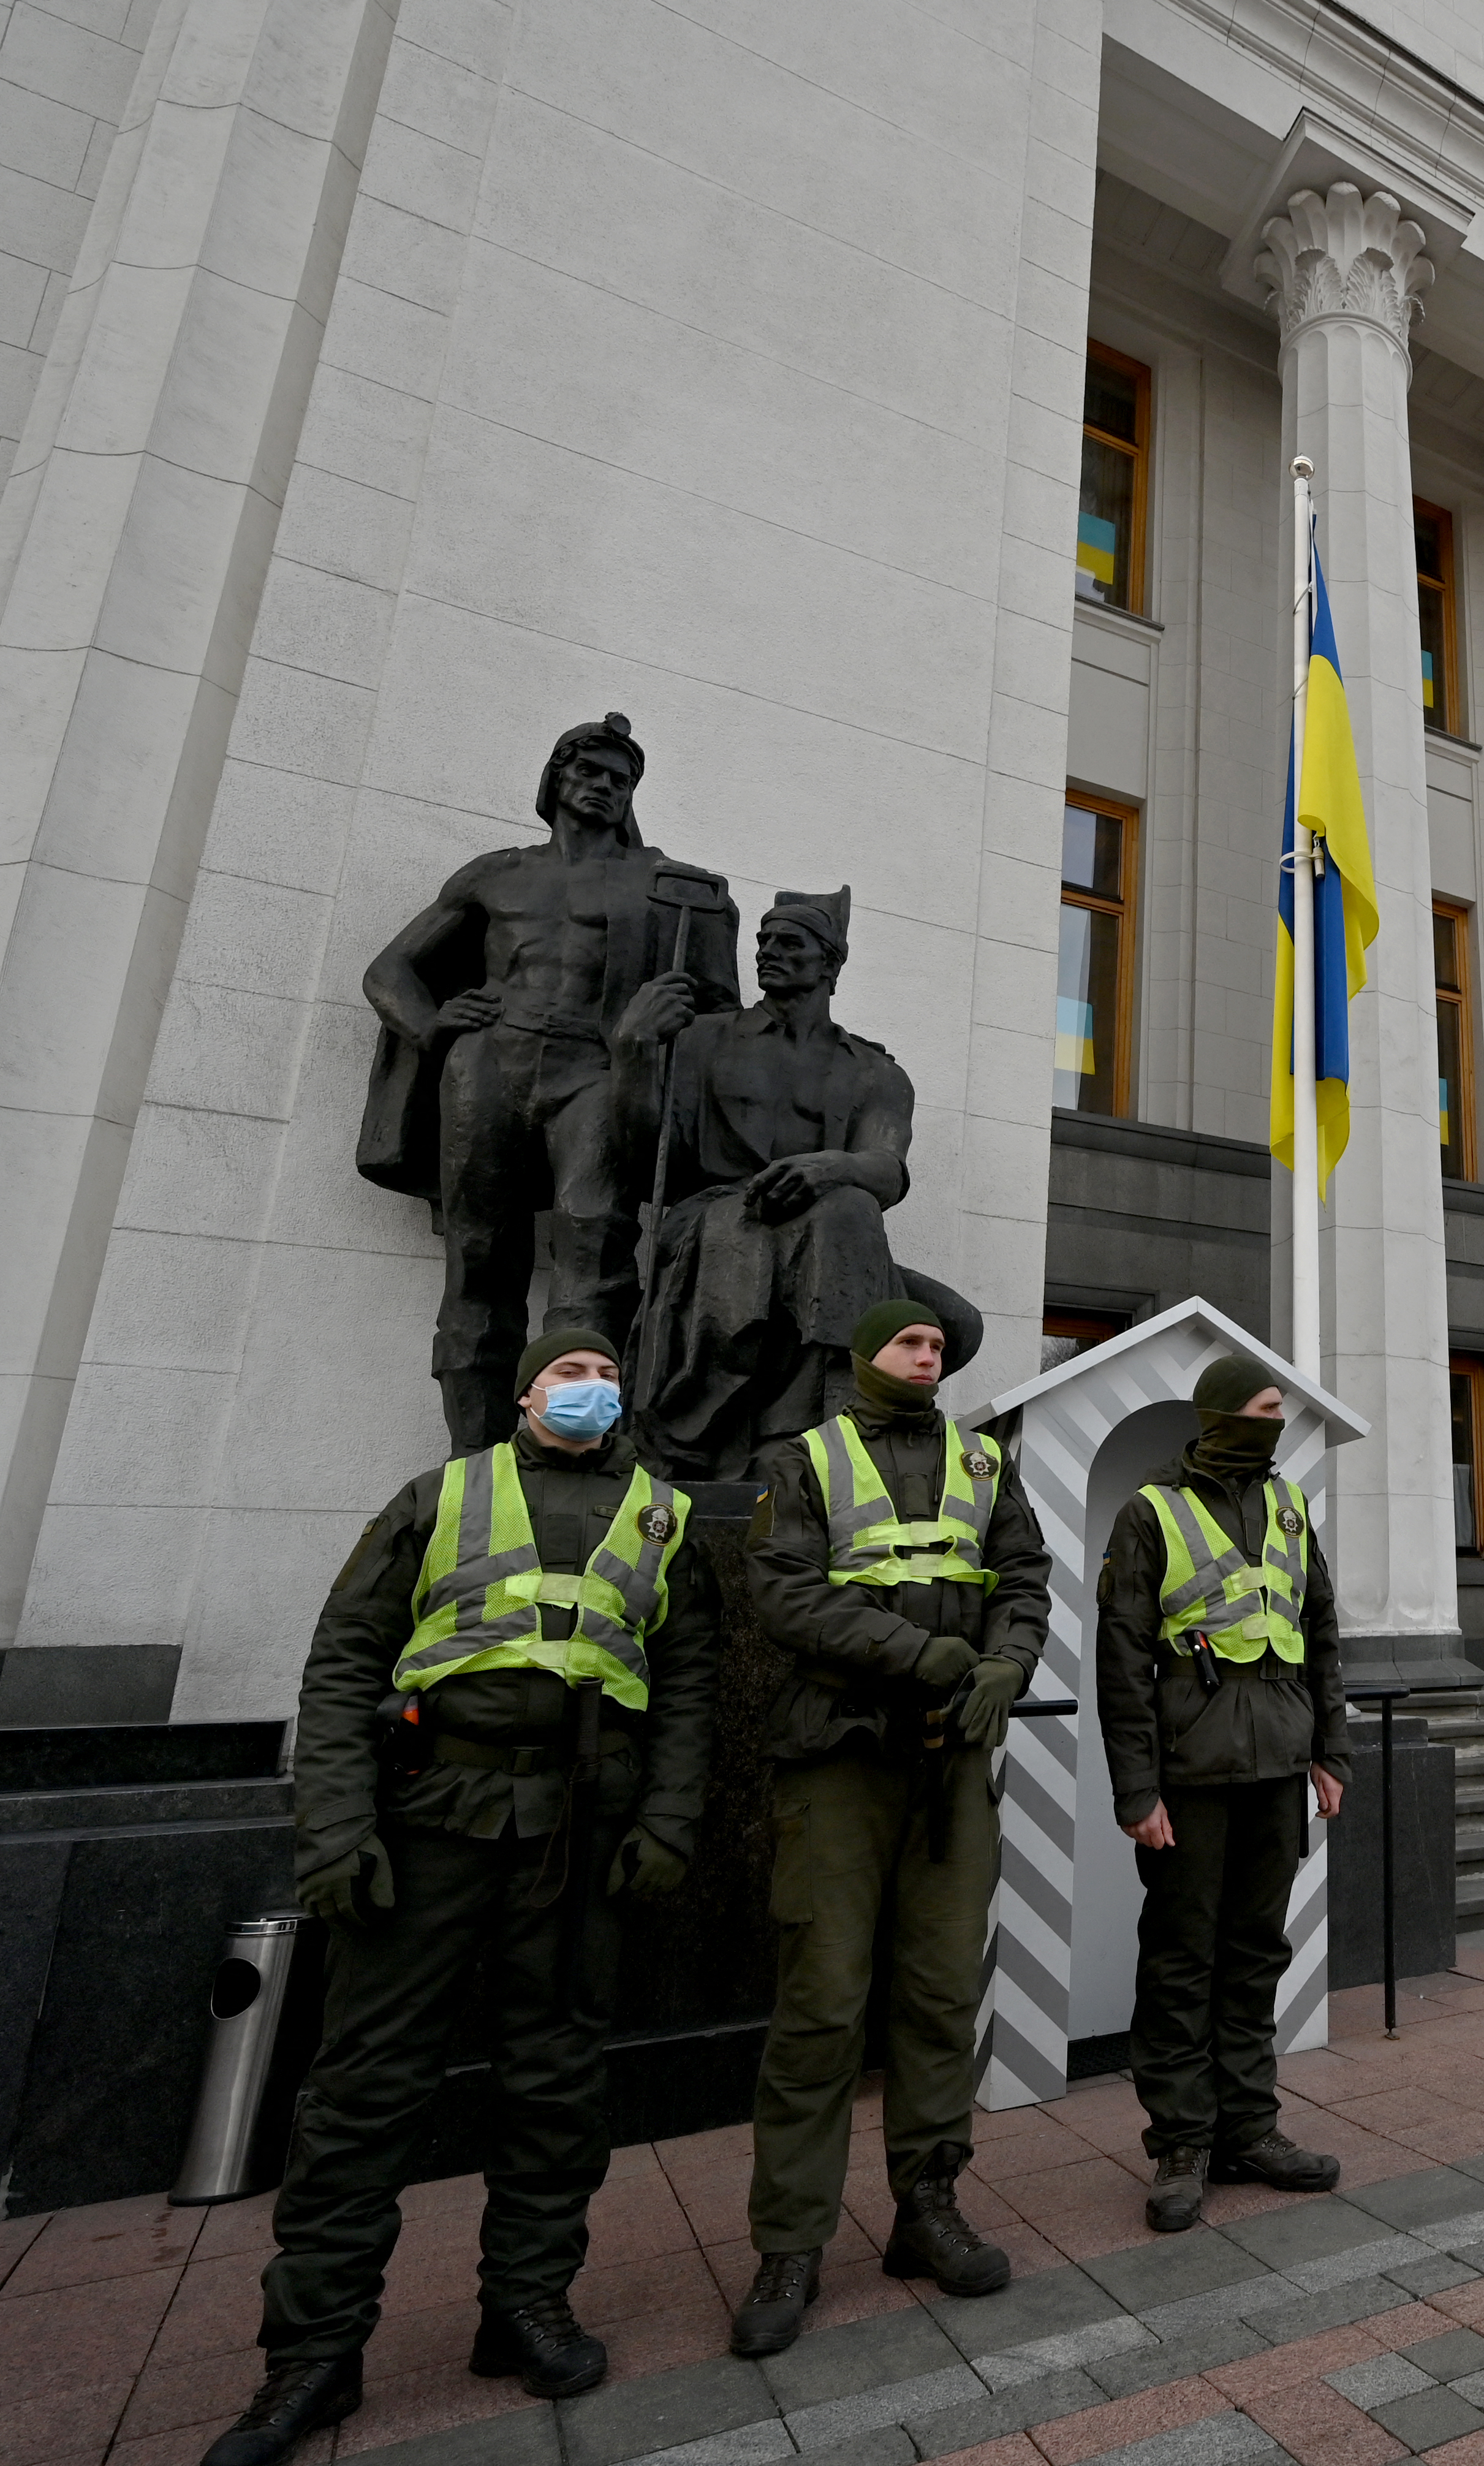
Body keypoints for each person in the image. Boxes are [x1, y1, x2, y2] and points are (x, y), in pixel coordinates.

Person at [205, 1332, 714, 2466]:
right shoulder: (438, 1495)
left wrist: (669, 1822)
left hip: (578, 1836)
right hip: (432, 1823)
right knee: (364, 2089)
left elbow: (686, 1685)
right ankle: (313, 2355)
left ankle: (524, 2306)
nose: (589, 1389)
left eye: (602, 1371)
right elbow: (342, 1661)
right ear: (527, 1391)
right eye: (565, 1371)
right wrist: (333, 1830)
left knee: (557, 2081)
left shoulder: (661, 1513)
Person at [730, 1298, 1053, 2354]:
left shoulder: (981, 1461)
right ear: (867, 1356)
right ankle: (789, 2244)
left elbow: (1023, 1578)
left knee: (939, 1995)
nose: (929, 1357)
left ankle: (927, 2207)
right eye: (910, 1344)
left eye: (937, 1348)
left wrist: (1007, 1662)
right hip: (837, 1757)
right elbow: (782, 1596)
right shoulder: (804, 1457)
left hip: (951, 1765)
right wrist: (919, 1655)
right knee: (821, 2005)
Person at [357, 714, 741, 1447]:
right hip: (489, 1066)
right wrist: (432, 1024)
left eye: (618, 780)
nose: (602, 787)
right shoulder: (496, 874)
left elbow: (720, 1014)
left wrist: (664, 1028)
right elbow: (388, 971)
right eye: (588, 772)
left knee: (594, 1251)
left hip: (596, 1070)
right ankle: (474, 1458)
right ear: (555, 780)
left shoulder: (672, 890)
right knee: (478, 1261)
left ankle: (576, 1451)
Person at [1096, 1354, 1352, 2234]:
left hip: (1280, 1771)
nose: (1277, 1421)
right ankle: (1180, 2143)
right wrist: (1137, 1789)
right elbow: (1122, 1662)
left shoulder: (1289, 1507)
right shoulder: (1149, 1512)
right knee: (1179, 1961)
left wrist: (1333, 1754)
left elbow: (1320, 1633)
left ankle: (1250, 2128)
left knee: (1254, 1956)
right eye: (1267, 1407)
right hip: (1189, 1778)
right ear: (1223, 1414)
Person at [613, 886, 980, 1478]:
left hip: (826, 1240)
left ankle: (806, 1421)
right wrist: (634, 1052)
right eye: (762, 941)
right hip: (719, 1219)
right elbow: (646, 1157)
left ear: (830, 963)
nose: (767, 952)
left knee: (954, 1320)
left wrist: (827, 1168)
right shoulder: (702, 1039)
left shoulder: (874, 1071)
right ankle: (828, 1431)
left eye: (789, 942)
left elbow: (886, 1168)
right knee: (848, 1213)